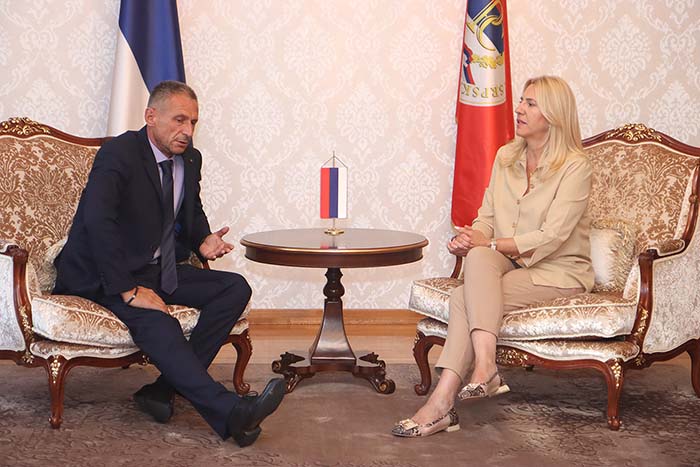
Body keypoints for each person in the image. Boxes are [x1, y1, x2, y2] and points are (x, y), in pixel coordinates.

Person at [54, 80, 285, 447]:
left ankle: (162, 390)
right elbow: (98, 222)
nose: (188, 131)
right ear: (151, 116)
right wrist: (128, 290)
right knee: (160, 322)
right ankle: (230, 412)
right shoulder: (119, 153)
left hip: (154, 268)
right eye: (179, 120)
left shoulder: (190, 159)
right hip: (101, 271)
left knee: (234, 288)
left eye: (193, 122)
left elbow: (191, 212)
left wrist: (203, 239)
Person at [392, 76, 594, 437]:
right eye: (521, 101)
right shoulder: (506, 156)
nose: (519, 109)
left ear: (554, 114)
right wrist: (471, 239)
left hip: (558, 270)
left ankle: (441, 403)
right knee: (478, 259)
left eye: (530, 103)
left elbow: (553, 235)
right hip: (511, 261)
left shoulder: (576, 166)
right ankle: (486, 367)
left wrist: (491, 245)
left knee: (463, 296)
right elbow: (486, 218)